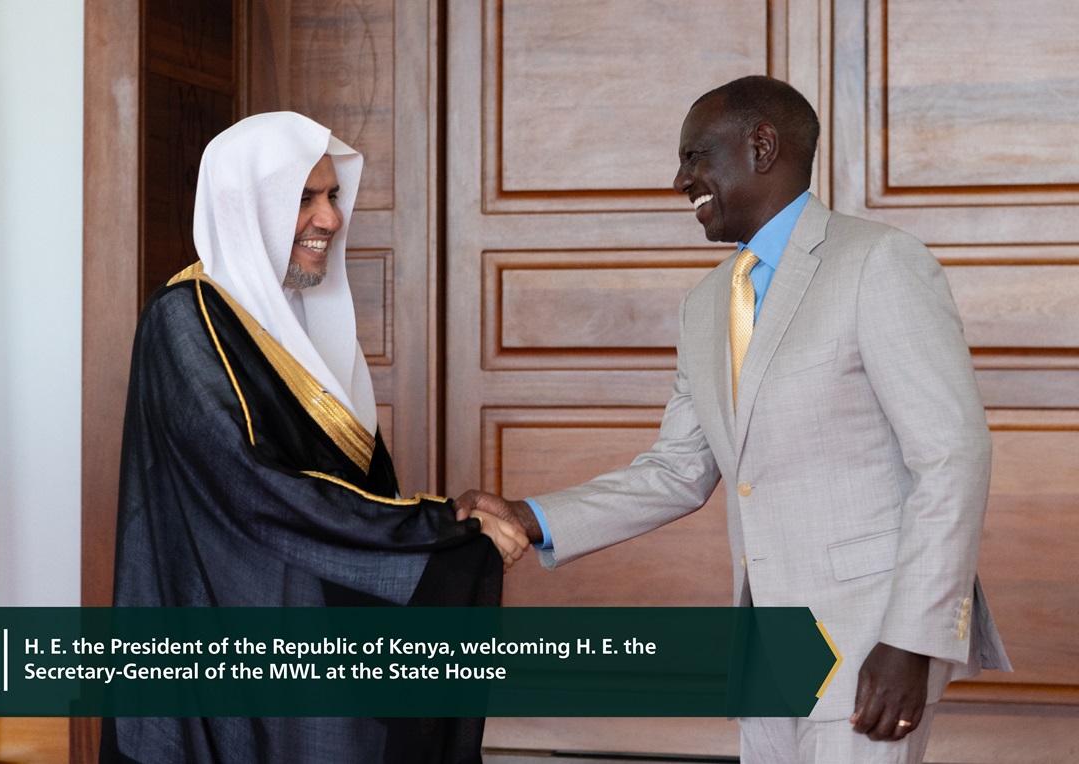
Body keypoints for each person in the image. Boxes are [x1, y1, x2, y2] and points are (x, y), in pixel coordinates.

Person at [456, 76, 1010, 763]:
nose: (680, 179)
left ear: (763, 146)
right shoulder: (705, 305)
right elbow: (678, 470)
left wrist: (913, 640)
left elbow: (953, 457)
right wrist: (529, 515)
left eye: (695, 156)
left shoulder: (878, 262)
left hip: (874, 643)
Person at [102, 112, 527, 764]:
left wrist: (447, 522)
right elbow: (254, 485)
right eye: (305, 197)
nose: (330, 218)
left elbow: (359, 487)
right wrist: (428, 528)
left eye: (332, 195)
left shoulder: (302, 324)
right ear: (245, 203)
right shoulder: (185, 319)